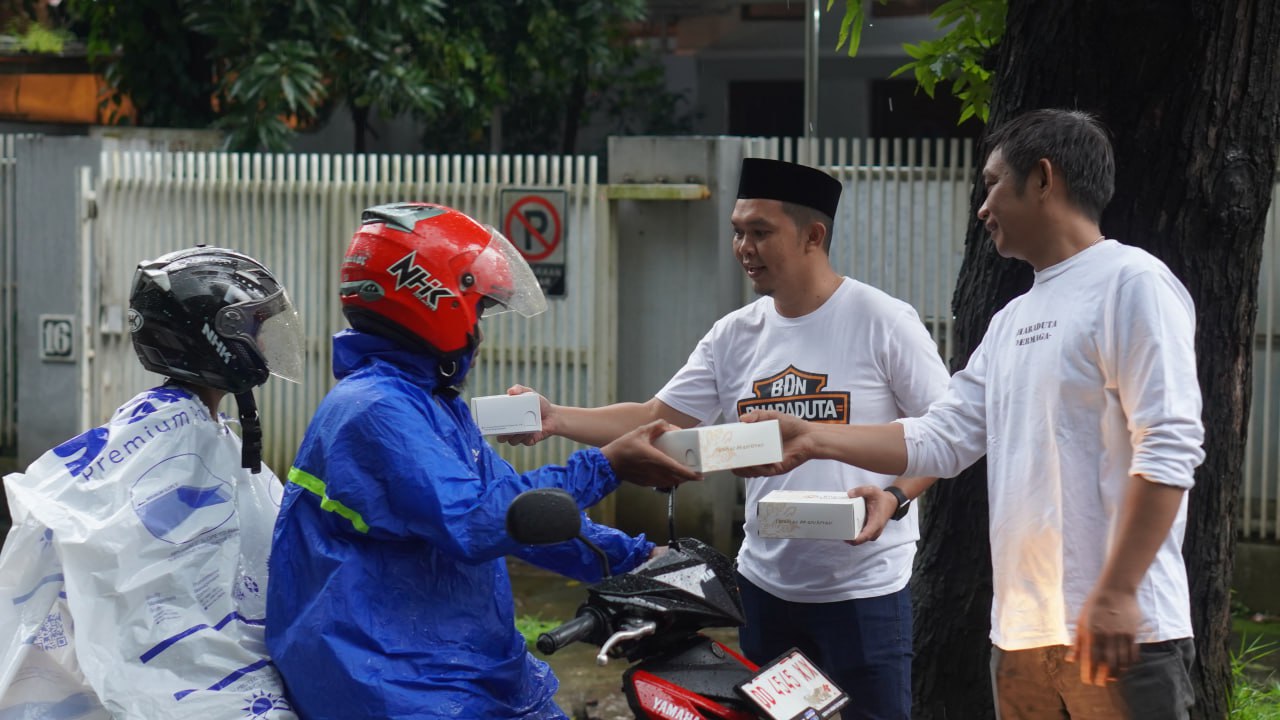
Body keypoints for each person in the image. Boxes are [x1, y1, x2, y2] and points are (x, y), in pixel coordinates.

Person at [739, 109, 1204, 719]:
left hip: (1122, 631)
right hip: (1022, 638)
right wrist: (814, 438)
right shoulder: (1012, 320)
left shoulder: (1132, 283)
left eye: (991, 184)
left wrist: (1118, 593)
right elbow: (944, 436)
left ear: (1043, 179)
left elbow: (1169, 446)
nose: (982, 208)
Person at [503, 158, 950, 719]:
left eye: (761, 232)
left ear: (814, 236)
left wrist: (896, 496)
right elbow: (655, 417)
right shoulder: (735, 334)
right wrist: (554, 418)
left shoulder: (883, 321)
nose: (743, 247)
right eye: (738, 231)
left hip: (864, 590)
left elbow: (944, 433)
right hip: (764, 587)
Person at [264, 202, 700, 720]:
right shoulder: (374, 410)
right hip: (396, 682)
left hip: (455, 662)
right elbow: (475, 521)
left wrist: (639, 559)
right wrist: (606, 467)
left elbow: (519, 517)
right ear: (434, 303)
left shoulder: (429, 401)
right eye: (478, 309)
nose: (481, 331)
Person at [0, 247, 303, 719]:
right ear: (214, 338)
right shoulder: (175, 441)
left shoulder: (189, 430)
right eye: (253, 326)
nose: (262, 341)